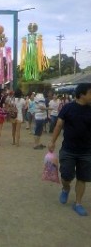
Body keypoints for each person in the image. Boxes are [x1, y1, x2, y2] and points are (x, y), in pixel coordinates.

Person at [48, 83, 91, 216]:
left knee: (82, 178)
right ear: (82, 94)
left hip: (87, 151)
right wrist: (52, 141)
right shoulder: (68, 108)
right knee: (66, 176)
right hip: (68, 150)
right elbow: (59, 125)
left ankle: (77, 203)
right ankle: (66, 188)